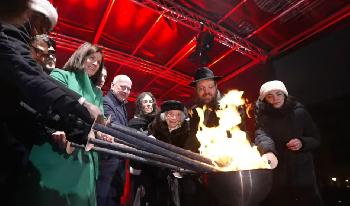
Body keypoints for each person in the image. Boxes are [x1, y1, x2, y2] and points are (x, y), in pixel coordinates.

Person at [1, 1, 102, 203]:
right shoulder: (9, 32)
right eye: (40, 24)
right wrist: (80, 108)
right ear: (23, 11)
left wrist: (81, 112)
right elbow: (31, 78)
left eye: (99, 62)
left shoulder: (18, 36)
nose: (39, 32)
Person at [28, 42, 105, 206]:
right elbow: (53, 108)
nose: (95, 64)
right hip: (58, 152)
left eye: (99, 62)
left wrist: (103, 134)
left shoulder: (98, 92)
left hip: (84, 163)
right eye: (91, 58)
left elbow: (100, 122)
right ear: (81, 56)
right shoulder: (61, 75)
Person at [254, 80, 323, 206]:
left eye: (278, 94)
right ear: (264, 99)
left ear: (284, 94)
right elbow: (262, 136)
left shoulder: (300, 112)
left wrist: (302, 142)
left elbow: (315, 138)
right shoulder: (262, 116)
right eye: (270, 96)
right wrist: (268, 151)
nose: (275, 98)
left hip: (303, 174)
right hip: (279, 174)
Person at [97, 75, 132, 206]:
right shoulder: (106, 101)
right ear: (112, 85)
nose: (126, 91)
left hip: (117, 168)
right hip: (108, 166)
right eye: (123, 87)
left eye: (129, 89)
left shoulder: (121, 105)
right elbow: (116, 129)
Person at [147, 100, 190, 206]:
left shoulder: (187, 131)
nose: (174, 118)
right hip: (158, 178)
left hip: (182, 180)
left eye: (178, 115)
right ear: (164, 116)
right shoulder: (154, 129)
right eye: (171, 114)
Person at [128, 92, 158, 206]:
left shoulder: (157, 122)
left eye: (151, 101)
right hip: (140, 167)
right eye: (145, 102)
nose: (149, 104)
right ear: (140, 104)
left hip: (155, 167)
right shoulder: (134, 122)